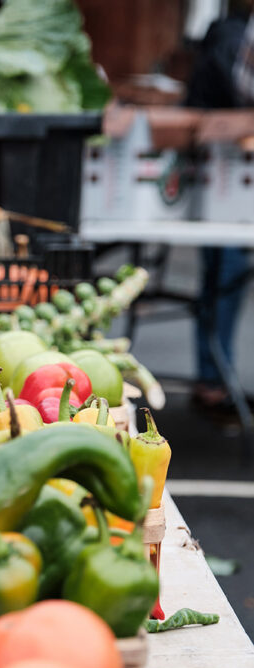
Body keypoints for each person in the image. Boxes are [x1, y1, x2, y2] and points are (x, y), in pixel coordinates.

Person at [186, 3, 252, 413]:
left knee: (228, 275)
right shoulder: (225, 39)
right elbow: (196, 110)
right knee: (222, 271)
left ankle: (214, 377)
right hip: (217, 178)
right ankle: (212, 380)